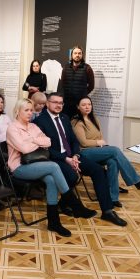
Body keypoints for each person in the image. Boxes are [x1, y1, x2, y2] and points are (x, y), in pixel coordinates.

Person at [35, 92, 128, 226]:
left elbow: (74, 140)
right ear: (48, 103)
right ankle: (65, 204)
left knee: (98, 170)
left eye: (61, 103)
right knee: (72, 176)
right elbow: (45, 149)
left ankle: (107, 211)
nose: (58, 105)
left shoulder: (64, 118)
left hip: (73, 156)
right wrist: (66, 159)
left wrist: (75, 155)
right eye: (55, 102)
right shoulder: (39, 121)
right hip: (56, 159)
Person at [72, 96, 140, 207]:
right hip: (84, 153)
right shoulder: (76, 122)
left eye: (89, 104)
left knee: (113, 162)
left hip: (97, 151)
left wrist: (101, 144)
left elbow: (100, 137)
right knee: (115, 150)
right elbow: (84, 143)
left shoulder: (94, 119)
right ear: (78, 107)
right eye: (83, 105)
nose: (87, 107)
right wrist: (98, 142)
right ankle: (137, 181)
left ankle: (113, 198)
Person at [6, 98, 72, 237]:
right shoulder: (12, 128)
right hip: (19, 168)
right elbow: (24, 149)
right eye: (26, 110)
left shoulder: (33, 126)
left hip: (35, 164)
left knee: (51, 180)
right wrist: (36, 142)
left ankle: (54, 222)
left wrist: (31, 140)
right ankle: (71, 199)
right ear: (17, 111)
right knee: (54, 166)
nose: (30, 113)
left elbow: (48, 141)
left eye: (31, 110)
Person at [59, 46, 94, 118]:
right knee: (66, 121)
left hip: (80, 103)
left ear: (82, 55)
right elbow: (62, 84)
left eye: (79, 53)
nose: (77, 55)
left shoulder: (87, 68)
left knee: (79, 122)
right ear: (72, 55)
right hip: (67, 103)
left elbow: (91, 86)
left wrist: (83, 94)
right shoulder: (66, 67)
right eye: (75, 53)